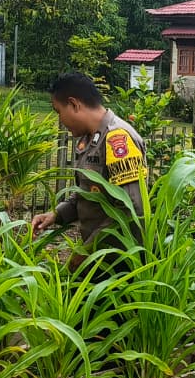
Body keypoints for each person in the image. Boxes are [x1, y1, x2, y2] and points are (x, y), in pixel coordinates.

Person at [31, 72, 147, 266]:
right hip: (98, 257)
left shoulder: (117, 138)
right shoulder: (89, 139)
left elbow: (129, 209)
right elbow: (89, 192)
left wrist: (87, 253)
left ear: (74, 104)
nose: (60, 120)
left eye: (59, 112)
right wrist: (56, 215)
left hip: (119, 261)